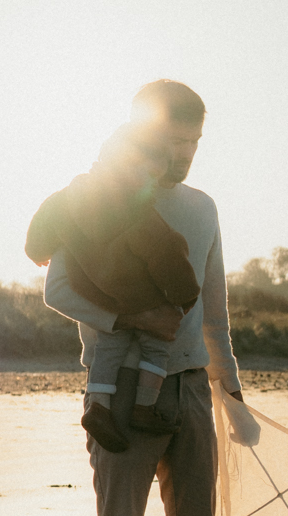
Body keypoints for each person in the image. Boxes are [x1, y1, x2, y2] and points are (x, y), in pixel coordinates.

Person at [42, 79, 273, 516]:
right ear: (147, 135)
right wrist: (127, 317)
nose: (187, 154)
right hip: (118, 399)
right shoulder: (98, 201)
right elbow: (56, 288)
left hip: (191, 393)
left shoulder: (203, 208)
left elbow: (215, 315)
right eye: (175, 141)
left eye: (195, 142)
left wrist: (233, 398)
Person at [26, 123, 201, 450]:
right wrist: (185, 298)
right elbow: (168, 254)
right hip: (140, 296)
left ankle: (98, 407)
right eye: (149, 175)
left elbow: (42, 225)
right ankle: (144, 407)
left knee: (108, 343)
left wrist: (36, 251)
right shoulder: (138, 215)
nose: (151, 183)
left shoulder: (65, 200)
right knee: (156, 346)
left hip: (97, 293)